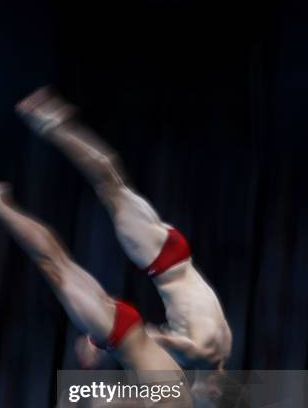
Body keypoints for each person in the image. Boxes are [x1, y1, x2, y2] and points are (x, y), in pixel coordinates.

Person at [0, 172, 224, 408]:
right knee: (52, 263)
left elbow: (139, 386)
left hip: (122, 329)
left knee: (55, 263)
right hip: (116, 332)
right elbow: (126, 403)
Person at [15, 88, 232, 390]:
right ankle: (52, 125)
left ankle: (54, 125)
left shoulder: (225, 346)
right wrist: (97, 343)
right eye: (207, 395)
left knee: (113, 183)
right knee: (110, 186)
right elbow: (155, 336)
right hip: (161, 263)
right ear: (215, 387)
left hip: (177, 256)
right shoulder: (202, 356)